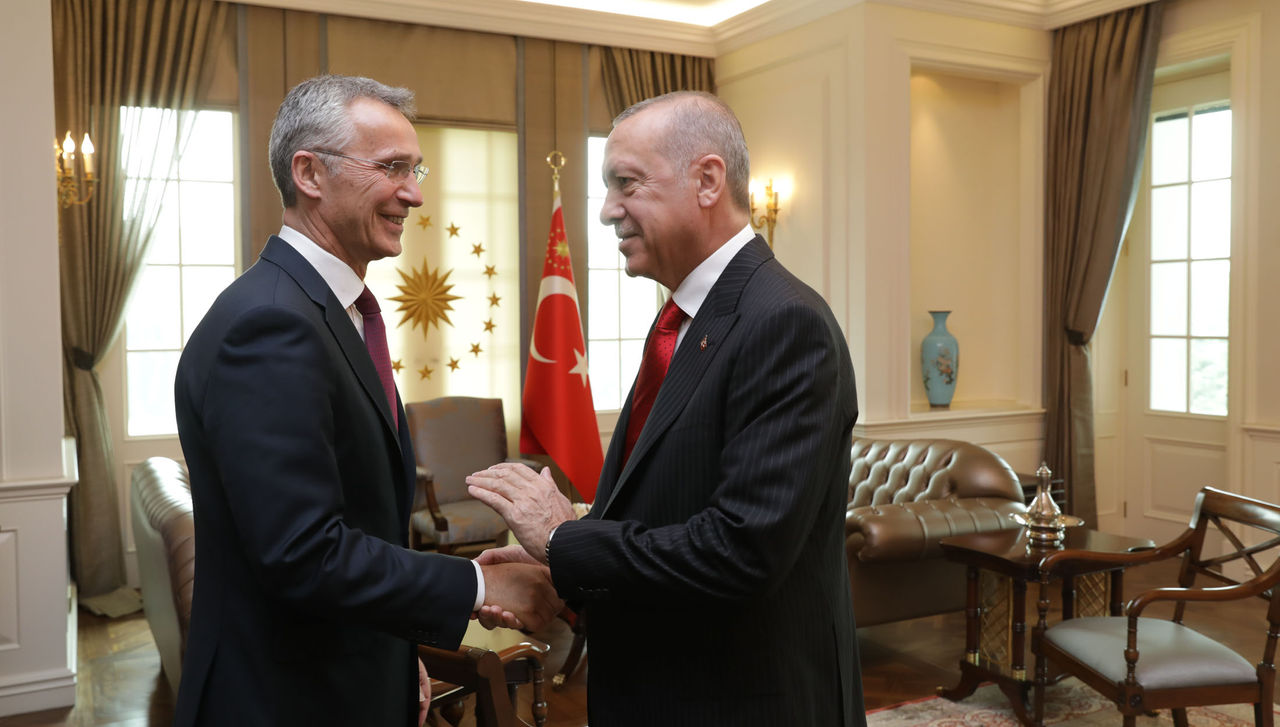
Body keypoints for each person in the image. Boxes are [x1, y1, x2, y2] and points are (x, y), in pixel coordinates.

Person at [467, 91, 866, 726]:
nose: (605, 212)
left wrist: (565, 540)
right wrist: (563, 570)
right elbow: (669, 507)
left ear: (707, 180)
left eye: (626, 184)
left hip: (743, 701)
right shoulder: (683, 319)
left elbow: (742, 551)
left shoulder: (785, 322)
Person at [172, 74, 561, 727]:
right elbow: (304, 552)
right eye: (391, 168)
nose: (413, 192)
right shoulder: (269, 324)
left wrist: (396, 642)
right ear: (310, 173)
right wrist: (480, 584)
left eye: (417, 168)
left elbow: (356, 522)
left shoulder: (331, 310)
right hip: (283, 698)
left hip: (341, 672)